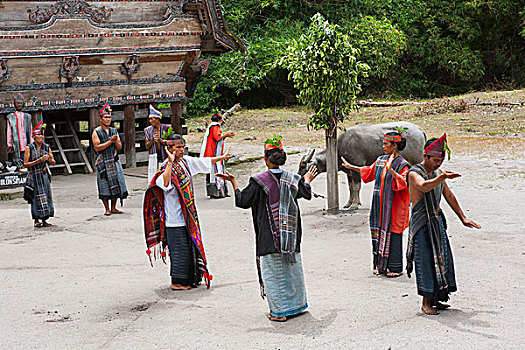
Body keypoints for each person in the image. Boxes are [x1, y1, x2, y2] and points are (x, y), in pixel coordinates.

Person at [217, 135, 318, 322]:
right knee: (291, 272)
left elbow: (243, 201)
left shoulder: (258, 181)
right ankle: (296, 306)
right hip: (291, 236)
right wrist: (308, 179)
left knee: (274, 274)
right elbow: (306, 192)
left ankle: (279, 312)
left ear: (265, 158)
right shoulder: (292, 179)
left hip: (269, 237)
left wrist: (233, 182)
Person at [143, 133, 232, 290]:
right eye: (178, 147)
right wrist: (170, 162)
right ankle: (177, 282)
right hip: (173, 220)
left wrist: (222, 157)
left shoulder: (185, 162)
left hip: (187, 217)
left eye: (183, 147)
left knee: (189, 249)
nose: (182, 150)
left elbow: (203, 161)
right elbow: (164, 183)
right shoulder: (165, 167)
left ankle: (190, 279)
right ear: (169, 149)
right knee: (179, 252)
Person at [406, 134, 481, 315]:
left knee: (441, 259)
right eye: (435, 160)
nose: (438, 164)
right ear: (425, 156)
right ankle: (426, 303)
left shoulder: (438, 174)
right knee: (425, 260)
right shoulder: (414, 173)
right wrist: (442, 178)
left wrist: (463, 217)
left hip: (436, 221)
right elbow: (424, 186)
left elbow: (448, 196)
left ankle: (438, 298)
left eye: (441, 161)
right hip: (422, 223)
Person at [341, 131, 410, 277]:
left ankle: (395, 268)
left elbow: (404, 183)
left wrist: (392, 170)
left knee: (394, 235)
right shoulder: (380, 160)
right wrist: (350, 167)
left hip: (395, 208)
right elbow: (369, 171)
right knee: (378, 233)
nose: (383, 146)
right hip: (380, 207)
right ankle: (380, 266)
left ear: (395, 145)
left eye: (386, 144)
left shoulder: (402, 164)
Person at [91, 103, 128, 216]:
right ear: (100, 119)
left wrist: (116, 141)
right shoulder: (96, 132)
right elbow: (97, 147)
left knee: (116, 182)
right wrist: (110, 141)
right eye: (105, 117)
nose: (108, 119)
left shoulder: (113, 131)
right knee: (104, 184)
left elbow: (120, 147)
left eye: (109, 117)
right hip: (103, 161)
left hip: (114, 160)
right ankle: (106, 208)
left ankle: (113, 207)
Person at [23, 122, 56, 227]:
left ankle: (45, 219)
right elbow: (26, 164)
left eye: (42, 135)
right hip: (34, 175)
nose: (41, 137)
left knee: (45, 195)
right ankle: (36, 219)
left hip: (43, 174)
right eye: (38, 135)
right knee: (35, 198)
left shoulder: (46, 147)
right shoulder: (29, 148)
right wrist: (38, 161)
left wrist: (49, 159)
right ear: (33, 136)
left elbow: (53, 162)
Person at [199, 112, 235, 198]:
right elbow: (217, 137)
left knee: (217, 170)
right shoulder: (215, 126)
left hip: (214, 153)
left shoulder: (213, 126)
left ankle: (221, 192)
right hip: (212, 154)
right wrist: (226, 135)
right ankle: (215, 193)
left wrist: (225, 136)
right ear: (220, 120)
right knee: (214, 172)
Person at [144, 105, 171, 183]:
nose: (150, 121)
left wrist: (161, 141)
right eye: (150, 119)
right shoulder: (148, 130)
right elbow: (147, 146)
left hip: (165, 156)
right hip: (154, 156)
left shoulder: (167, 128)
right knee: (154, 177)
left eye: (152, 119)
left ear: (158, 119)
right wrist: (152, 140)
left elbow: (171, 143)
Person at [7, 93, 33, 170]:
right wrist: (9, 144)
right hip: (16, 144)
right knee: (17, 162)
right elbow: (9, 132)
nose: (19, 105)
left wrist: (31, 142)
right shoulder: (11, 117)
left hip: (26, 143)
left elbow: (30, 131)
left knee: (27, 161)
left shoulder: (27, 117)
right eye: (17, 103)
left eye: (20, 103)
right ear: (14, 104)